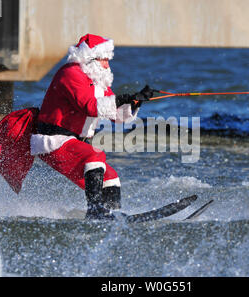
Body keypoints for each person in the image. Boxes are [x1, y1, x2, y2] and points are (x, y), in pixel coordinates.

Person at [28, 33, 155, 219]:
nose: (107, 65)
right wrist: (119, 98)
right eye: (104, 59)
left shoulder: (98, 80)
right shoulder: (70, 73)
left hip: (74, 144)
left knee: (111, 177)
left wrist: (135, 102)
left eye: (108, 60)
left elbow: (116, 116)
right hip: (55, 141)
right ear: (90, 58)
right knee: (95, 154)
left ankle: (113, 216)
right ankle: (95, 212)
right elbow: (90, 106)